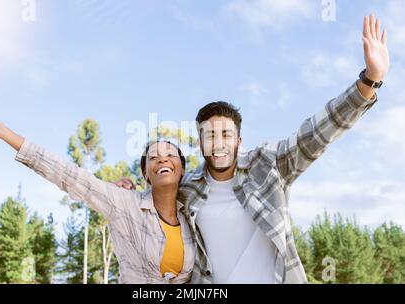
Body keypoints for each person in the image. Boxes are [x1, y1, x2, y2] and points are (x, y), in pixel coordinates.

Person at [115, 15, 390, 284]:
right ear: (200, 144)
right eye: (209, 136)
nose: (218, 143)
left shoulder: (268, 165)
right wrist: (126, 194)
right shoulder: (186, 189)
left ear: (239, 140)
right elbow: (153, 206)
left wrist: (369, 81)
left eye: (226, 134)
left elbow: (316, 134)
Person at [0, 121, 195, 284]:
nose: (162, 158)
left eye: (170, 154)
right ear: (145, 173)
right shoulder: (124, 203)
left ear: (182, 168)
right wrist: (4, 133)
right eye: (153, 157)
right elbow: (69, 175)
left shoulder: (192, 217)